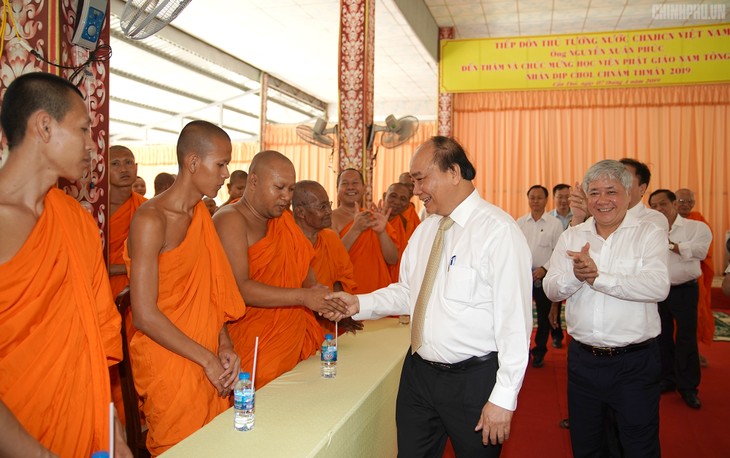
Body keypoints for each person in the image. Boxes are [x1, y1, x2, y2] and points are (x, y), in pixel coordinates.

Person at [328, 136, 532, 456]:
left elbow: (515, 323)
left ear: (453, 172)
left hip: (473, 381)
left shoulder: (499, 232)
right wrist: (359, 303)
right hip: (419, 374)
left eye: (421, 179)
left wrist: (503, 398)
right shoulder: (425, 231)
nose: (416, 190)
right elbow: (409, 291)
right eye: (413, 180)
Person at [0, 72, 130, 457]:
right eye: (83, 129)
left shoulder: (75, 220)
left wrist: (114, 434)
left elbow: (98, 338)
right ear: (43, 126)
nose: (93, 145)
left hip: (87, 434)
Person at [125, 120, 246, 456]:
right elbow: (145, 315)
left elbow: (212, 294)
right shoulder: (151, 220)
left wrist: (224, 345)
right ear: (193, 162)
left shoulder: (199, 217)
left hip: (206, 355)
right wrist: (206, 359)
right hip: (171, 360)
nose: (226, 174)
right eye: (221, 163)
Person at [544, 159, 670, 458]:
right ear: (586, 198)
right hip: (583, 361)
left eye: (611, 191)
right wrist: (577, 275)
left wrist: (598, 277)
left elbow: (657, 286)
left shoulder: (647, 233)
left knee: (639, 445)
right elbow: (551, 287)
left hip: (635, 363)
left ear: (629, 194)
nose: (602, 200)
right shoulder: (572, 236)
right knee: (587, 444)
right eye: (595, 192)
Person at [213, 151, 347, 389]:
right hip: (255, 344)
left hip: (295, 337)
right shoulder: (230, 220)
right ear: (253, 181)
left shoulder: (283, 221)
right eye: (279, 188)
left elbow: (304, 269)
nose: (287, 197)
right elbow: (240, 288)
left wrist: (321, 296)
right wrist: (304, 297)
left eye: (291, 189)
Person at [648, 189, 711, 409]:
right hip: (658, 290)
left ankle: (688, 388)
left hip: (685, 290)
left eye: (662, 204)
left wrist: (671, 245)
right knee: (661, 337)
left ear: (674, 204)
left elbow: (701, 251)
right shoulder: (650, 230)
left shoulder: (696, 227)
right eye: (653, 206)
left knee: (686, 339)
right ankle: (667, 379)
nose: (658, 209)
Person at [108, 144, 147, 425]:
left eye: (128, 162)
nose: (124, 168)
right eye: (116, 163)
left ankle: (136, 422)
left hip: (138, 297)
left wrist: (118, 267)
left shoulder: (145, 209)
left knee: (136, 363)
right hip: (103, 295)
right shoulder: (91, 209)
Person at [292, 180, 362, 335]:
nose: (330, 211)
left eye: (328, 204)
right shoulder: (287, 243)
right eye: (322, 207)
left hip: (329, 328)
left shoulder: (330, 238)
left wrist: (340, 310)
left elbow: (341, 278)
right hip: (294, 326)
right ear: (300, 212)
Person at [517, 185, 564, 366]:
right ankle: (523, 349)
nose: (535, 201)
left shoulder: (555, 224)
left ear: (546, 200)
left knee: (544, 317)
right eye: (532, 198)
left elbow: (559, 252)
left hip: (544, 276)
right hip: (524, 276)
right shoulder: (520, 222)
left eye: (539, 198)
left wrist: (544, 269)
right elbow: (516, 250)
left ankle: (539, 351)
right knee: (522, 315)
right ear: (528, 200)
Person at [330, 168, 399, 293]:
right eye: (345, 183)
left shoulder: (375, 217)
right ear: (337, 189)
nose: (350, 187)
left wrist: (381, 232)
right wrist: (355, 229)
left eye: (355, 183)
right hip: (348, 294)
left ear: (363, 188)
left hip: (378, 293)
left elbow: (393, 259)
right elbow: (333, 259)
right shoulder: (330, 218)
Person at [675, 188, 715, 366]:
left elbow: (705, 249)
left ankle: (694, 353)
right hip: (668, 278)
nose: (686, 205)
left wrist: (679, 247)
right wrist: (685, 247)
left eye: (690, 201)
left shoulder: (699, 221)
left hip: (692, 277)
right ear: (674, 202)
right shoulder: (666, 220)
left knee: (696, 316)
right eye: (682, 201)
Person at [383, 182, 413, 281]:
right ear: (384, 196)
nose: (397, 202)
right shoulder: (369, 220)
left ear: (408, 204)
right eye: (393, 196)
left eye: (403, 199)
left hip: (397, 280)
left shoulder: (407, 224)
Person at [398, 171, 422, 237]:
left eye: (413, 185)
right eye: (406, 185)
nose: (411, 188)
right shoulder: (394, 208)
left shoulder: (411, 207)